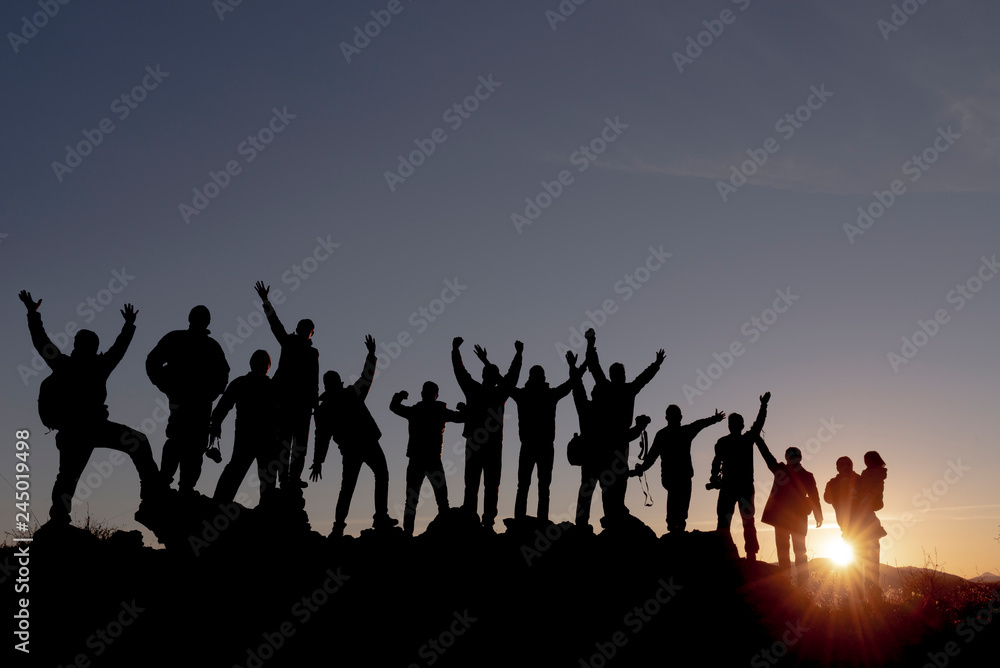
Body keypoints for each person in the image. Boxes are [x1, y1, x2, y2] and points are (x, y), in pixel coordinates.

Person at [19, 290, 163, 524]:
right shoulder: (91, 365)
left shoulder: (65, 364)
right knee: (71, 475)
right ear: (92, 347)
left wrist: (32, 314)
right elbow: (118, 350)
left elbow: (41, 341)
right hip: (84, 430)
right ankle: (152, 495)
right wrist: (128, 326)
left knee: (68, 477)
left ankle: (58, 520)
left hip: (84, 430)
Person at [310, 335, 397, 536]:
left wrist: (318, 461)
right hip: (366, 443)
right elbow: (366, 378)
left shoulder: (325, 408)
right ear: (338, 383)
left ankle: (338, 527)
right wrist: (371, 355)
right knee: (379, 475)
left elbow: (321, 437)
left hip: (350, 449)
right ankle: (379, 517)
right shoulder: (350, 395)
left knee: (348, 487)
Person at [146, 305, 230, 495]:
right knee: (181, 439)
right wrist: (166, 385)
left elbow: (223, 373)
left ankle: (181, 487)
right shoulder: (188, 341)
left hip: (196, 402)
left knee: (190, 442)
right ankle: (172, 485)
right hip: (188, 401)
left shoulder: (201, 344)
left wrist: (212, 393)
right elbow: (152, 362)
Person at [584, 329, 664, 523]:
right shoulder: (626, 389)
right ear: (618, 375)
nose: (621, 375)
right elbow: (643, 379)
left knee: (613, 480)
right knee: (616, 480)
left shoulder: (611, 387)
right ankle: (614, 513)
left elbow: (594, 366)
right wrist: (656, 364)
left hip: (614, 440)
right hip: (618, 440)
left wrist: (590, 343)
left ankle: (613, 513)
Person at [566, 351, 650, 528]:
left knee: (586, 491)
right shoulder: (610, 415)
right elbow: (624, 435)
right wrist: (640, 427)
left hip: (590, 458)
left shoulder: (585, 408)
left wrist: (573, 367)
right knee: (608, 492)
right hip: (607, 458)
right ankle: (611, 522)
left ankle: (582, 526)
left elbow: (578, 387)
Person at [452, 337, 522, 531]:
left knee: (472, 483)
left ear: (483, 375)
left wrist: (455, 350)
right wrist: (518, 354)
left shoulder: (474, 390)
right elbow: (511, 377)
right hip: (492, 444)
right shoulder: (499, 394)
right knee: (491, 485)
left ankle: (470, 519)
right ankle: (488, 522)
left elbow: (460, 372)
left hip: (475, 442)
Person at [254, 281, 318, 490]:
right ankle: (285, 480)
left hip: (302, 404)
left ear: (311, 333)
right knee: (285, 443)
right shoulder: (289, 343)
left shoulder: (311, 353)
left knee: (299, 445)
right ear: (299, 329)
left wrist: (314, 403)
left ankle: (292, 479)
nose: (304, 331)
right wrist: (265, 301)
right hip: (285, 402)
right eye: (302, 327)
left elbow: (314, 379)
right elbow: (275, 323)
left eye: (307, 329)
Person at [630, 405, 726, 533]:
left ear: (667, 418)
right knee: (679, 510)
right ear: (678, 417)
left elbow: (651, 457)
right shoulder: (681, 432)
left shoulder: (666, 434)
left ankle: (675, 531)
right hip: (679, 477)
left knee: (678, 509)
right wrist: (715, 419)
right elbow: (700, 424)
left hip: (677, 477)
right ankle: (676, 531)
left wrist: (641, 469)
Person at [502, 357, 574, 521]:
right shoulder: (548, 394)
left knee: (526, 486)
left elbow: (505, 384)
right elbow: (570, 384)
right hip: (543, 446)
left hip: (531, 445)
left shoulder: (524, 395)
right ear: (543, 377)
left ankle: (522, 520)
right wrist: (577, 366)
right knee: (541, 487)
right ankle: (539, 521)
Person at [390, 382, 465, 536]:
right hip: (431, 460)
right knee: (441, 500)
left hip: (420, 460)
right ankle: (443, 533)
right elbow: (461, 417)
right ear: (435, 395)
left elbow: (394, 407)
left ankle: (408, 535)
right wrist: (464, 409)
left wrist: (398, 397)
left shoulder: (417, 410)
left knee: (415, 501)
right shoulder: (437, 411)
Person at [210, 350, 280, 504]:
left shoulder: (242, 383)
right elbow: (223, 407)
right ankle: (265, 510)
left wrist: (216, 424)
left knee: (238, 471)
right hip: (263, 438)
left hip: (251, 436)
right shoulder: (272, 386)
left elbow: (222, 407)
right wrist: (216, 424)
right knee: (261, 474)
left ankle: (218, 504)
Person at [709, 391, 770, 560]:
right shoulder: (745, 439)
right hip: (741, 487)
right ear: (741, 425)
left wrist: (714, 478)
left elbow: (716, 463)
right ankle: (749, 554)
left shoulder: (725, 442)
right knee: (745, 521)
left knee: (727, 521)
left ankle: (731, 553)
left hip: (733, 487)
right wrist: (763, 405)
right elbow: (758, 424)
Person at [756, 439, 823, 585]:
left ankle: (800, 584)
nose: (792, 459)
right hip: (785, 518)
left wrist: (818, 514)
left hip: (794, 517)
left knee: (797, 551)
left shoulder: (803, 475)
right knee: (785, 551)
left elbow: (814, 496)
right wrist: (758, 439)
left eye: (794, 456)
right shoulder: (783, 470)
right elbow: (768, 457)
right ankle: (786, 582)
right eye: (790, 456)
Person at [853, 451, 887, 599]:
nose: (866, 462)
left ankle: (871, 596)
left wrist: (865, 500)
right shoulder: (870, 473)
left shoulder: (877, 475)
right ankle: (865, 597)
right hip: (863, 520)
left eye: (868, 459)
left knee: (869, 562)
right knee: (865, 562)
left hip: (866, 519)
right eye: (865, 459)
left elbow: (873, 493)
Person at [824, 456, 860, 539]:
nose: (846, 466)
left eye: (849, 464)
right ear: (838, 468)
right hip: (846, 524)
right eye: (843, 464)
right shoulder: (832, 483)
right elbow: (827, 499)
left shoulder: (860, 480)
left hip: (864, 523)